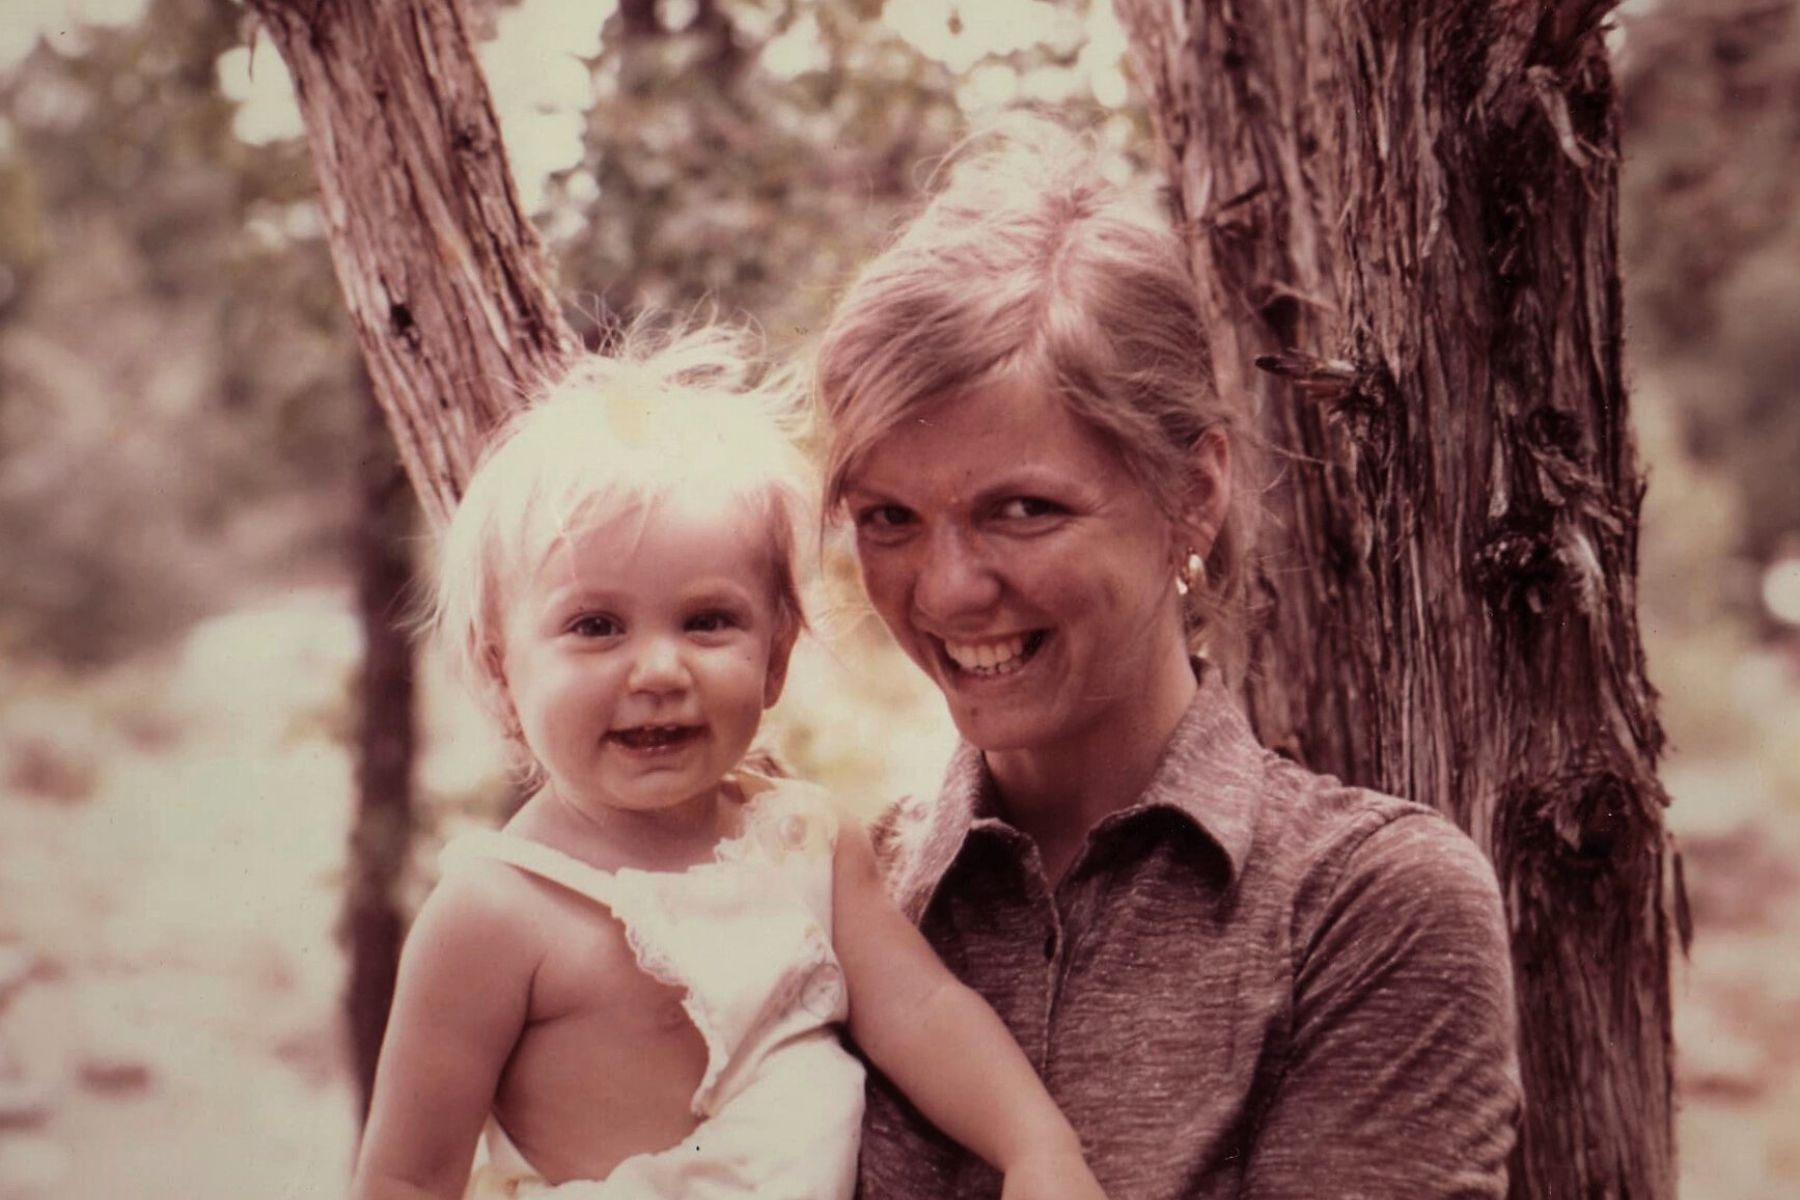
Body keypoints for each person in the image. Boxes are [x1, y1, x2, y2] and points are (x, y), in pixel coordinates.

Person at [813, 123, 1523, 1199]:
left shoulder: (1367, 907)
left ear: (1192, 495)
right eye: (889, 517)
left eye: (1023, 509)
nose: (949, 588)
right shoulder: (833, 900)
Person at [349, 328, 1109, 1200]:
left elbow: (921, 1011)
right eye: (596, 627)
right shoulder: (494, 913)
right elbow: (405, 1179)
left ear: (777, 655)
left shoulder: (805, 844)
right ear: (497, 669)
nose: (661, 671)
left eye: (708, 622)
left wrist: (1038, 1147)